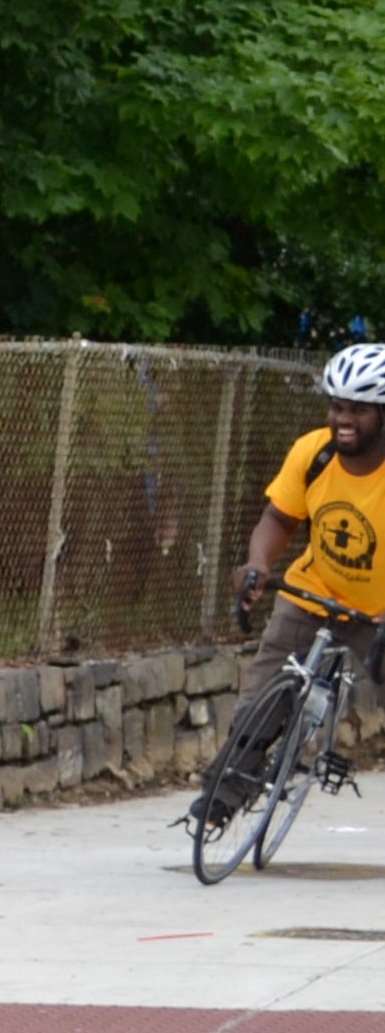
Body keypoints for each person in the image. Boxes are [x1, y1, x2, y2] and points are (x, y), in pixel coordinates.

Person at [200, 344, 385, 819]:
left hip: (377, 613)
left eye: (359, 410)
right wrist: (258, 564)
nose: (344, 419)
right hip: (313, 591)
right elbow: (278, 518)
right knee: (261, 695)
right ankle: (224, 795)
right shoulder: (314, 451)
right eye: (337, 406)